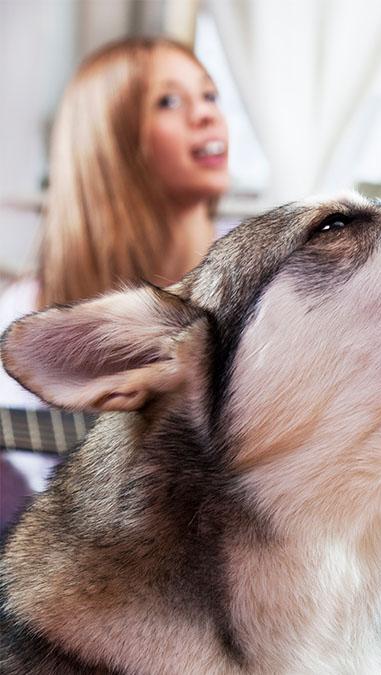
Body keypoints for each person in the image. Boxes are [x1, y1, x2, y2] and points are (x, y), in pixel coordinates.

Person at [0, 37, 229, 536]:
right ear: (110, 139)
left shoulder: (263, 277)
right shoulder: (23, 315)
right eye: (170, 101)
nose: (207, 115)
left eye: (210, 95)